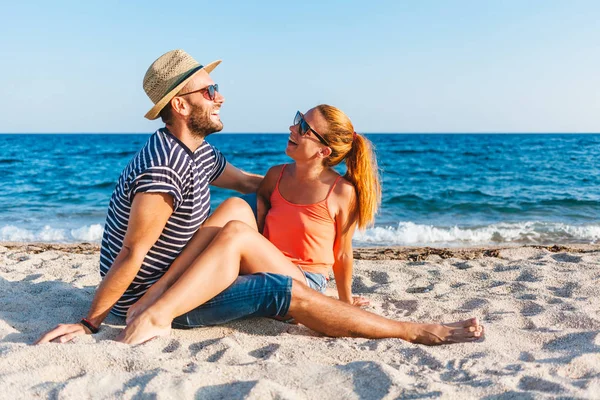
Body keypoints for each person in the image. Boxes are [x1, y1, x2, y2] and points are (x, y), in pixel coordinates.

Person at [36, 49, 483, 347]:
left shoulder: (198, 153)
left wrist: (298, 175)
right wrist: (89, 322)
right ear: (181, 105)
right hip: (145, 296)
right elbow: (132, 250)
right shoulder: (164, 166)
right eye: (209, 91)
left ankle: (162, 296)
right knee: (263, 268)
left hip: (190, 276)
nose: (221, 97)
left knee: (233, 213)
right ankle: (415, 331)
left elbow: (251, 187)